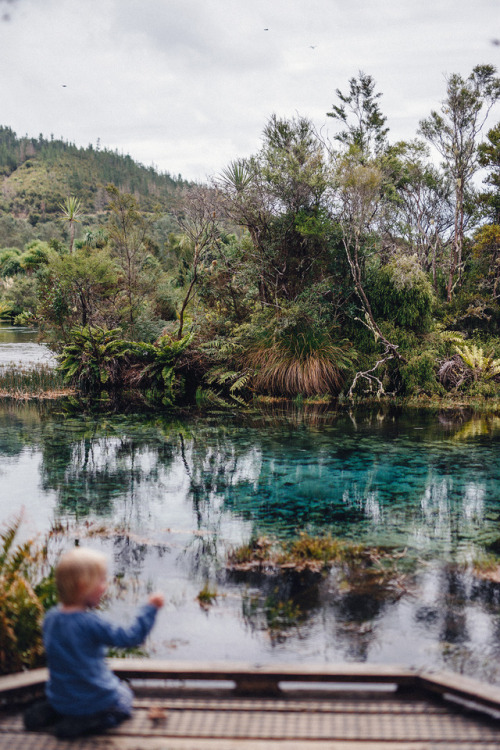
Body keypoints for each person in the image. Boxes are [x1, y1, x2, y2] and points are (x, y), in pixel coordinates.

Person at [24, 547, 164, 739]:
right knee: (124, 697)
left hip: (60, 698)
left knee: (70, 692)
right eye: (101, 580)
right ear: (83, 586)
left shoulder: (50, 618)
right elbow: (130, 637)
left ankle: (53, 712)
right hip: (94, 701)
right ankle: (88, 722)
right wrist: (150, 609)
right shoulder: (91, 623)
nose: (105, 586)